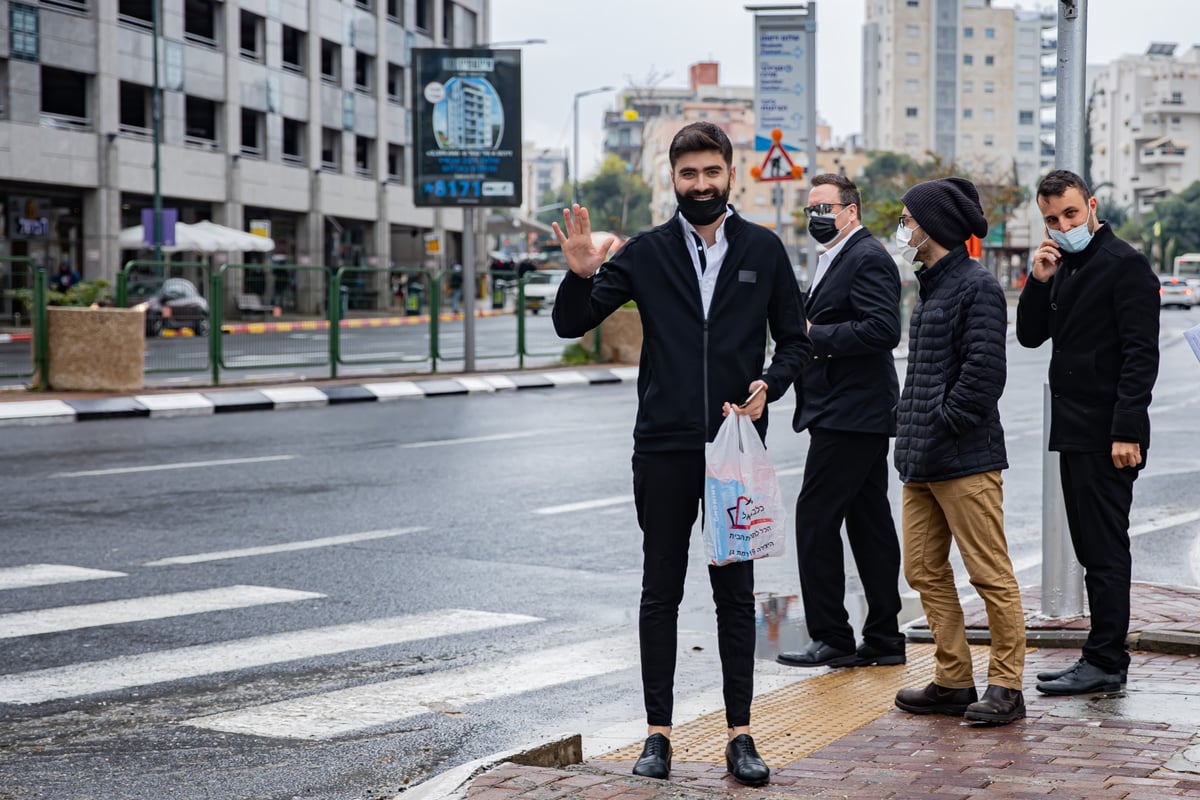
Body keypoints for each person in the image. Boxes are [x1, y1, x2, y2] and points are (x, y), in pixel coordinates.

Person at [551, 121, 810, 786]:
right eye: (687, 174)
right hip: (663, 446)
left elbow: (796, 341)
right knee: (659, 590)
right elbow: (572, 322)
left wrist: (769, 385)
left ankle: (741, 736)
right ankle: (657, 737)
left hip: (734, 450)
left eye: (710, 173)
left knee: (735, 594)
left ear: (731, 174)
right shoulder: (646, 253)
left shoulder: (763, 249)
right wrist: (580, 275)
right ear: (673, 178)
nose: (700, 185)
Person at [1016, 170, 1160, 696]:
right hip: (1073, 431)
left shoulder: (1126, 265)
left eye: (1070, 214)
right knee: (1089, 546)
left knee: (1103, 550)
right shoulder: (1065, 266)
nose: (1062, 225)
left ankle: (1105, 661)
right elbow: (1031, 337)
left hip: (1108, 435)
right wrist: (1038, 278)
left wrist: (1127, 430)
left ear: (1092, 206)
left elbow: (1141, 355)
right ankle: (1099, 657)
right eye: (1052, 219)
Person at [890, 177, 1026, 725]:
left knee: (989, 572)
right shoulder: (932, 286)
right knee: (922, 568)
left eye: (908, 219)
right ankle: (953, 679)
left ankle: (1006, 686)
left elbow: (984, 374)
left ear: (932, 227)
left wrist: (942, 424)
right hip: (921, 460)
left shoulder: (977, 286)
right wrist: (910, 424)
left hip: (965, 459)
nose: (903, 228)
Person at [775, 174, 905, 671]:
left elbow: (883, 329)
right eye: (811, 210)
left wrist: (814, 334)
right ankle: (885, 637)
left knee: (815, 519)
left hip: (851, 414)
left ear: (851, 210)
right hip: (853, 412)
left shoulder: (866, 256)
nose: (816, 218)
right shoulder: (841, 256)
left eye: (824, 208)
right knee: (869, 523)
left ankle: (832, 636)